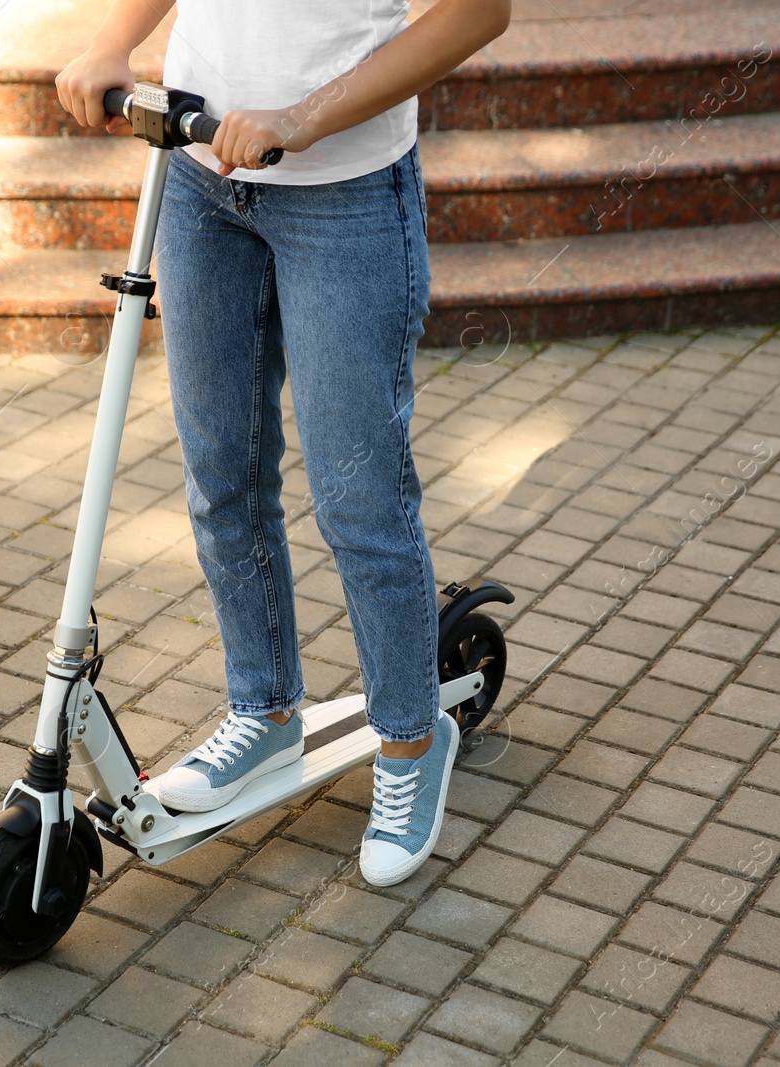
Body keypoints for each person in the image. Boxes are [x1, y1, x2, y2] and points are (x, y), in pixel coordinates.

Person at [56, 0, 511, 887]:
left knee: (360, 499)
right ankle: (263, 715)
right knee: (221, 474)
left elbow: (478, 13)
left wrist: (301, 120)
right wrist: (112, 42)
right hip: (196, 180)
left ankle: (414, 742)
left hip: (344, 200)